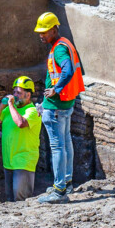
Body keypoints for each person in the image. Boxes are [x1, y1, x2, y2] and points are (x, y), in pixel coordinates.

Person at [33, 12, 84, 204]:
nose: (41, 35)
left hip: (56, 105)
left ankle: (59, 190)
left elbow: (68, 69)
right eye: (40, 32)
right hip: (65, 103)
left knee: (57, 147)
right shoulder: (64, 43)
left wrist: (55, 89)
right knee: (66, 142)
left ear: (55, 29)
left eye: (45, 31)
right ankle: (67, 181)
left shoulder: (59, 49)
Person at [0, 76, 42, 201]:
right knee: (10, 199)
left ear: (28, 96)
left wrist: (11, 106)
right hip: (9, 161)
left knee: (21, 199)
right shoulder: (9, 109)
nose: (15, 95)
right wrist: (3, 105)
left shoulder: (32, 111)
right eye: (14, 92)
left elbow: (21, 123)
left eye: (18, 93)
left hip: (23, 161)